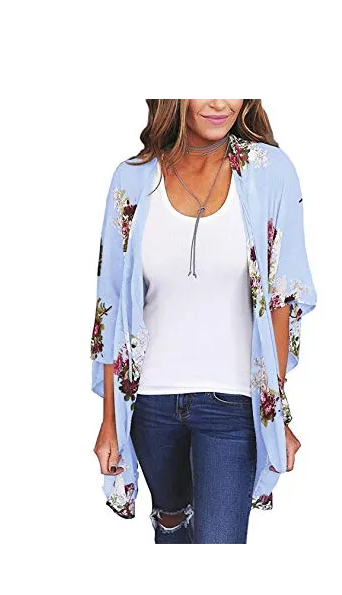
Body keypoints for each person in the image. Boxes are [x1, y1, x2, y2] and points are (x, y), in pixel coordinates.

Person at [90, 97, 317, 544]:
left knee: (219, 542)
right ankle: (171, 522)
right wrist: (109, 422)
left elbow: (282, 295)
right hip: (150, 403)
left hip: (233, 404)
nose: (219, 102)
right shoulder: (133, 179)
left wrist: (276, 411)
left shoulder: (268, 171)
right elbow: (110, 306)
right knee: (171, 522)